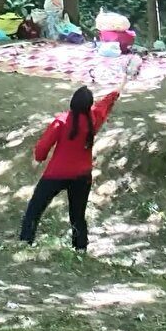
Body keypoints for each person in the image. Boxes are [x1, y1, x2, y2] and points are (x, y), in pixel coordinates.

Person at [19, 69, 129, 251]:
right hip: (82, 176)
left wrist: (38, 159)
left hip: (56, 174)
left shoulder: (61, 121)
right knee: (77, 216)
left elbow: (43, 146)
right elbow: (107, 102)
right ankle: (80, 249)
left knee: (34, 210)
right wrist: (122, 84)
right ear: (88, 105)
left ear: (72, 103)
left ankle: (25, 243)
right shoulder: (94, 119)